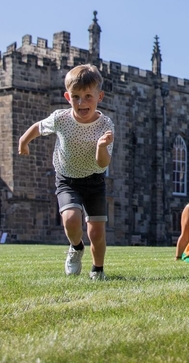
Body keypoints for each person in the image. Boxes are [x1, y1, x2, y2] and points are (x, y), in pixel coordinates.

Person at [18, 63, 114, 280]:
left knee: (96, 232)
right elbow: (38, 127)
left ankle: (97, 270)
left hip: (94, 180)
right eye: (76, 96)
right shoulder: (61, 118)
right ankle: (76, 247)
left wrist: (100, 146)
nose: (82, 102)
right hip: (67, 179)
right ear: (67, 97)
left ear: (100, 97)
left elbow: (103, 164)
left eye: (88, 96)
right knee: (71, 219)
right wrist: (24, 141)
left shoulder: (105, 124)